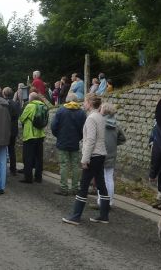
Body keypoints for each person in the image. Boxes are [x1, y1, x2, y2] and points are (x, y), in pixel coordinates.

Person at [63, 94, 109, 225]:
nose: (83, 104)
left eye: (85, 101)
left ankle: (76, 216)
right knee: (101, 185)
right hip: (101, 154)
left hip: (93, 155)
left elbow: (90, 140)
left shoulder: (91, 118)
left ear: (89, 103)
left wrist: (85, 159)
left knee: (83, 185)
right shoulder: (100, 117)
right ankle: (104, 216)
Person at [50, 93, 86, 196]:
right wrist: (79, 137)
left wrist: (58, 135)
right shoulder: (81, 113)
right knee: (75, 165)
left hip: (63, 141)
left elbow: (53, 126)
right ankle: (75, 188)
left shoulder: (61, 110)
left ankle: (64, 188)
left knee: (64, 165)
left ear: (67, 100)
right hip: (75, 142)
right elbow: (84, 129)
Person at [96, 102, 125, 206]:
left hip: (100, 152)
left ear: (104, 111)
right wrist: (114, 143)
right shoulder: (115, 125)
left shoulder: (99, 122)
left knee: (101, 177)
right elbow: (123, 139)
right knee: (109, 177)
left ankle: (101, 201)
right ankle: (110, 201)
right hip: (112, 153)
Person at [18, 92, 46, 184]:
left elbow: (22, 118)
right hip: (40, 134)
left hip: (30, 135)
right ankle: (38, 177)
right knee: (39, 157)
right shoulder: (43, 106)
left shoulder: (30, 106)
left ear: (31, 99)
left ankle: (28, 177)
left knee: (28, 157)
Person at [3, 87, 21, 176]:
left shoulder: (5, 104)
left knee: (3, 149)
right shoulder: (16, 104)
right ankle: (13, 169)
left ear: (4, 94)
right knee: (11, 150)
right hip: (14, 129)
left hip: (6, 129)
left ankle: (3, 169)